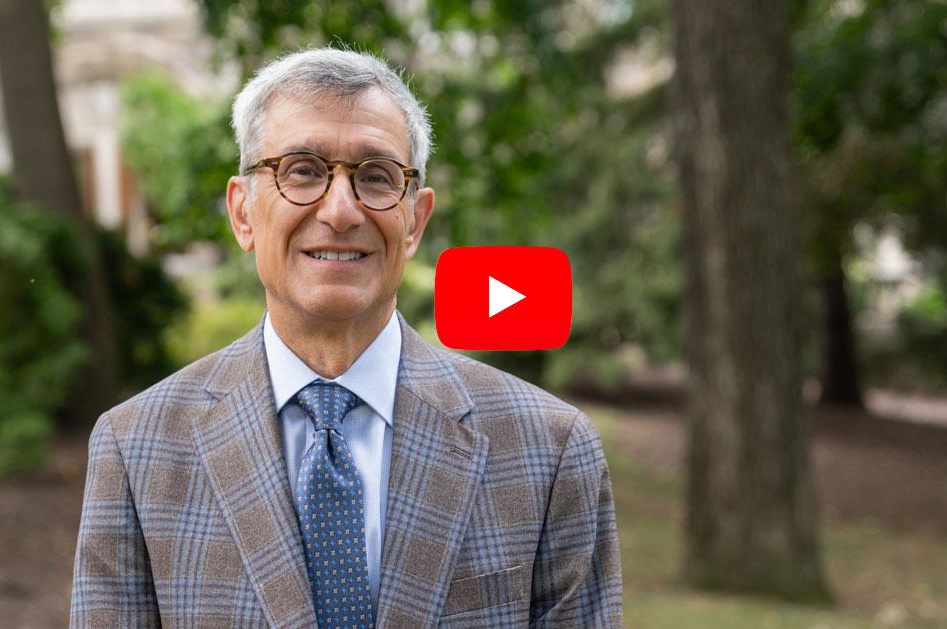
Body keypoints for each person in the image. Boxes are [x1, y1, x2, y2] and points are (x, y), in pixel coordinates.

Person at [71, 47, 622, 628]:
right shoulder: (136, 450)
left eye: (377, 177)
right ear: (243, 213)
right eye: (302, 170)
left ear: (414, 220)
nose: (340, 210)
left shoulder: (549, 450)